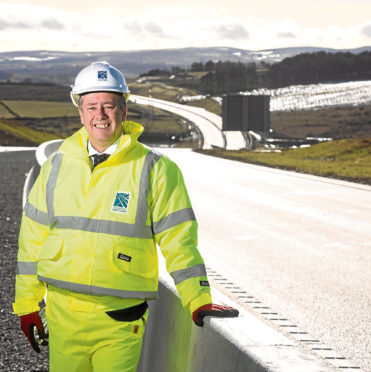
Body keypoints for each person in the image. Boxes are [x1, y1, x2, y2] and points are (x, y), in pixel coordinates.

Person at [12, 61, 238, 371]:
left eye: (109, 106)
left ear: (124, 110)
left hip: (120, 320)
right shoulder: (57, 165)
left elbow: (179, 241)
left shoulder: (156, 170)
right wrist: (26, 304)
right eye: (92, 106)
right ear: (80, 112)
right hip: (61, 314)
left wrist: (198, 297)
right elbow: (31, 239)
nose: (100, 115)